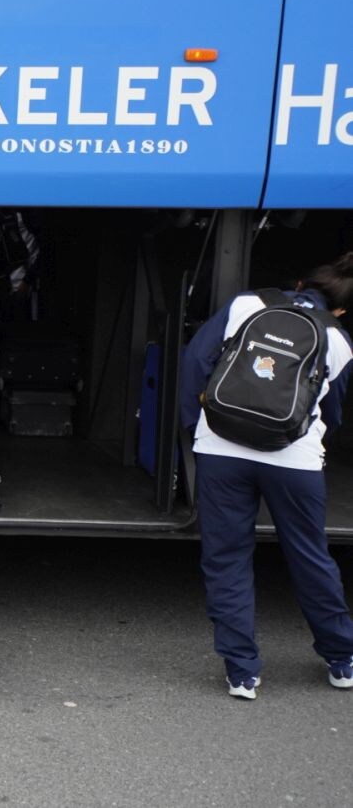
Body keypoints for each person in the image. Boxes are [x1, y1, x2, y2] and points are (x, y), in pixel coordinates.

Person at [179, 253, 353, 699]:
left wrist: (196, 424)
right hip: (294, 460)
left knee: (227, 558)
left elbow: (196, 361)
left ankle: (242, 672)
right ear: (341, 309)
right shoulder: (338, 338)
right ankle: (341, 659)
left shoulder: (244, 305)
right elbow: (331, 412)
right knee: (310, 557)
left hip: (221, 448)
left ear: (297, 281)